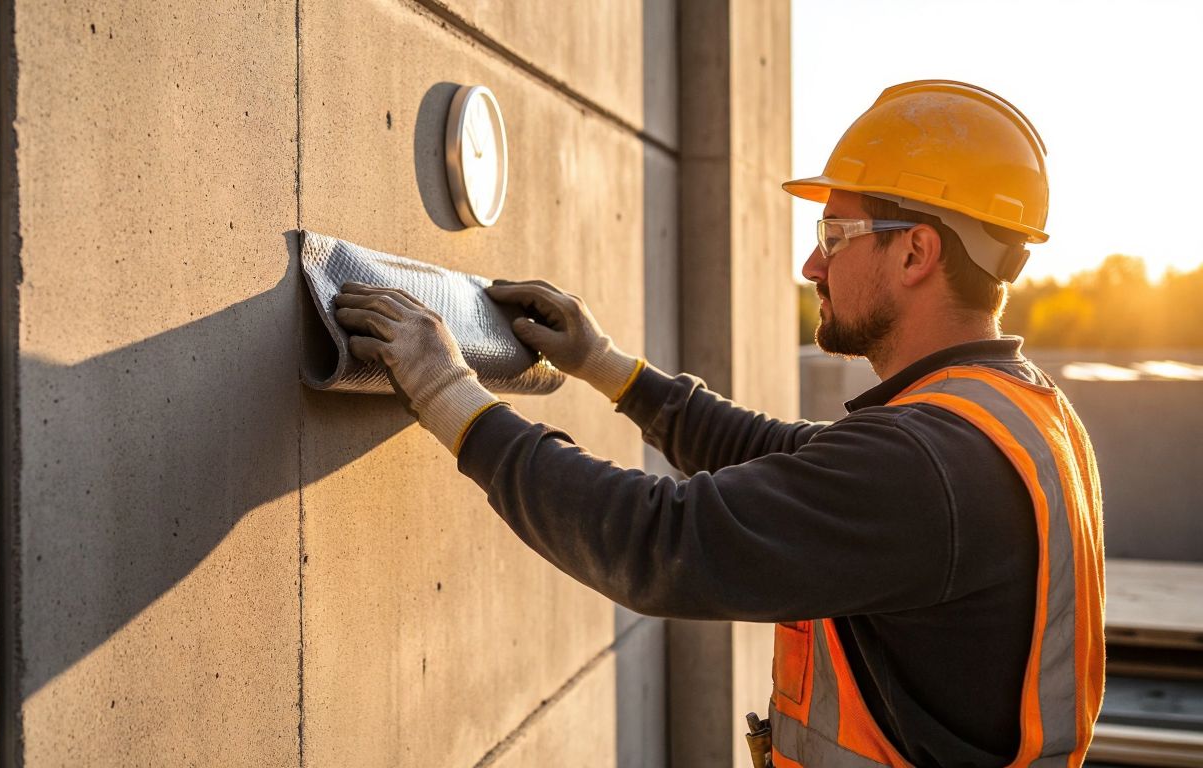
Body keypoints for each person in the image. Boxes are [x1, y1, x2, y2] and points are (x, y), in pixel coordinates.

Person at [332, 80, 1104, 767]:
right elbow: (786, 457)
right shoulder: (1012, 417)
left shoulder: (927, 467)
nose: (812, 266)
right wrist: (607, 366)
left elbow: (659, 543)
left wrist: (444, 387)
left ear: (916, 253)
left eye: (834, 236)